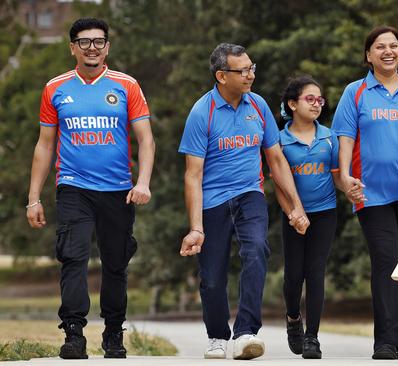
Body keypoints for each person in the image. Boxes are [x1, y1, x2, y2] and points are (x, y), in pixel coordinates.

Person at [25, 18, 155, 359]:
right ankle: (73, 334)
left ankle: (113, 334)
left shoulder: (127, 85)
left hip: (118, 190)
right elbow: (44, 145)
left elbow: (146, 139)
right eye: (84, 42)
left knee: (116, 264)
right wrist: (33, 198)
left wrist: (142, 182)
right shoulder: (55, 87)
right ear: (72, 48)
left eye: (99, 41)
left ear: (107, 47)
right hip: (73, 187)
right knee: (73, 257)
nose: (92, 48)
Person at [178, 43, 308, 360]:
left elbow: (276, 160)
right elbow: (192, 175)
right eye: (243, 70)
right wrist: (196, 227)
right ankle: (217, 336)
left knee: (257, 251)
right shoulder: (201, 112)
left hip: (250, 194)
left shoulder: (259, 105)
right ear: (222, 75)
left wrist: (296, 206)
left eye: (252, 67)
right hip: (212, 201)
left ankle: (247, 331)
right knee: (212, 276)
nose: (250, 75)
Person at [331, 26, 398, 360]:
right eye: (380, 47)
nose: (388, 51)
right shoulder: (356, 92)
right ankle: (386, 341)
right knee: (385, 261)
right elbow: (345, 138)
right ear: (369, 55)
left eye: (394, 45)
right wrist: (346, 177)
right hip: (370, 192)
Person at [275, 76, 364, 359]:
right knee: (293, 276)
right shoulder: (280, 140)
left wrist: (350, 189)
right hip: (293, 217)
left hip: (325, 213)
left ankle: (312, 337)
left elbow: (338, 176)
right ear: (292, 103)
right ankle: (292, 319)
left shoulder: (328, 137)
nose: (317, 104)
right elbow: (278, 185)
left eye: (320, 100)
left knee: (315, 273)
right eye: (309, 99)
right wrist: (292, 213)